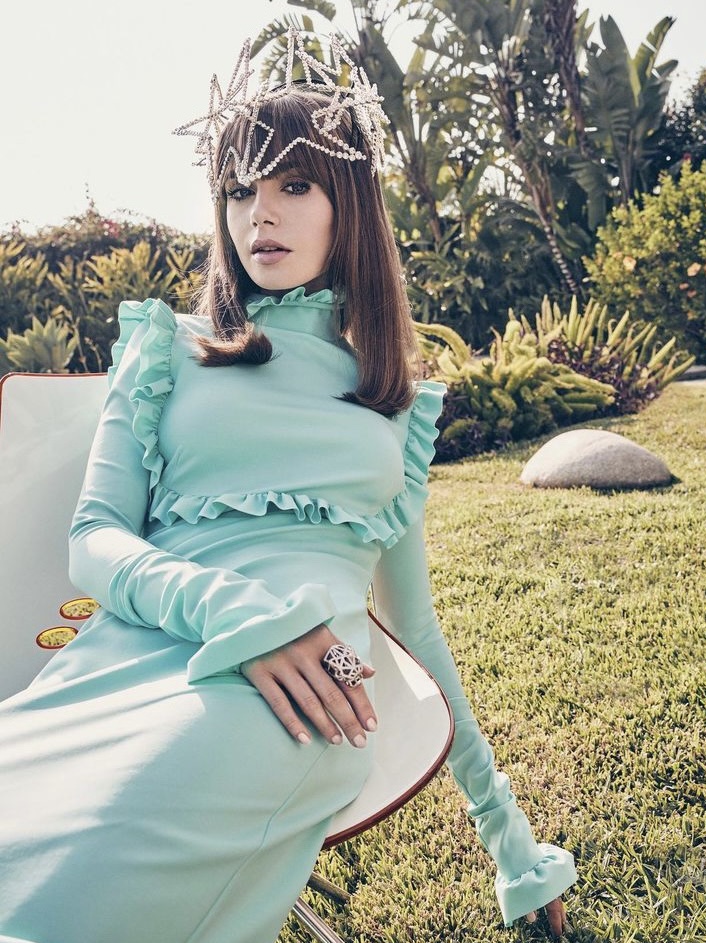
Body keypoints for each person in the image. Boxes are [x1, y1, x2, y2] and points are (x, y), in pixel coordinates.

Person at [0, 30, 576, 943]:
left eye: (293, 185)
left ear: (349, 205)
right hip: (118, 662)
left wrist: (513, 843)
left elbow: (417, 629)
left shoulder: (390, 403)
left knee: (66, 894)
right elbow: (94, 539)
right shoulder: (166, 348)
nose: (258, 213)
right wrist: (237, 610)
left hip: (289, 696)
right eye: (239, 188)